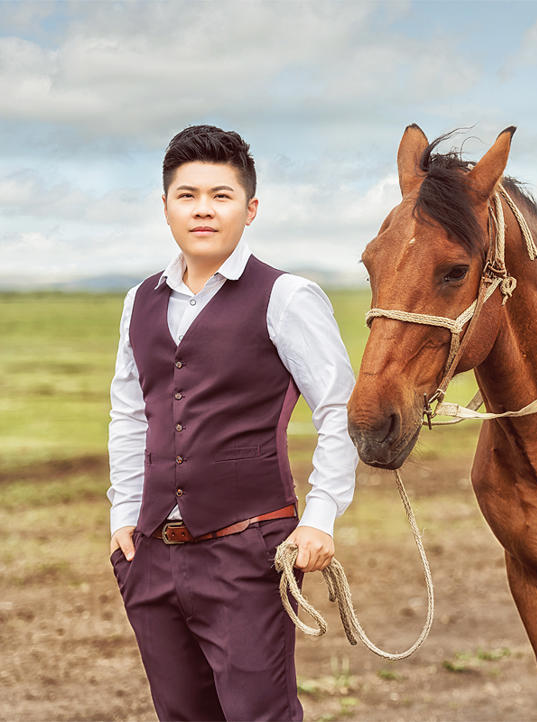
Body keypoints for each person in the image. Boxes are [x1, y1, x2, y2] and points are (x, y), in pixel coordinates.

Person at [106, 124, 359, 720]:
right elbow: (130, 410)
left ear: (250, 210)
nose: (203, 210)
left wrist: (320, 519)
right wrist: (123, 517)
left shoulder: (288, 296)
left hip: (248, 548)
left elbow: (337, 410)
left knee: (259, 714)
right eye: (187, 195)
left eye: (221, 196)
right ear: (165, 205)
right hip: (151, 555)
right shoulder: (139, 300)